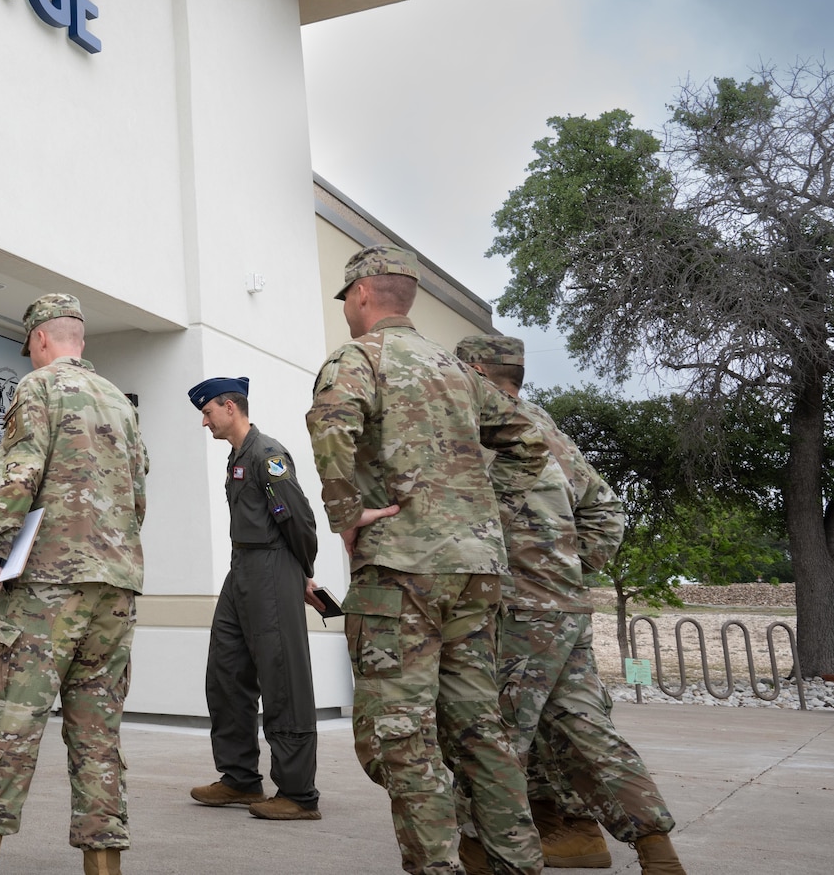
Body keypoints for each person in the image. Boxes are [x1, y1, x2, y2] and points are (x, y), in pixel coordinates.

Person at [304, 245, 546, 875]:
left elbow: (333, 429)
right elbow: (529, 443)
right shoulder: (457, 369)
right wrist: (482, 510)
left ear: (361, 294)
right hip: (476, 571)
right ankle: (518, 862)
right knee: (480, 727)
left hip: (403, 572)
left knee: (401, 735)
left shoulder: (356, 358)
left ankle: (437, 866)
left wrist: (346, 515)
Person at [0, 293, 148, 875]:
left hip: (48, 584)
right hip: (116, 586)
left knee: (10, 720)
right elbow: (138, 498)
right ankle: (104, 867)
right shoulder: (120, 401)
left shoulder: (38, 387)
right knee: (98, 732)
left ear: (41, 340)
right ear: (80, 339)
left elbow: (19, 476)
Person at [454, 336, 686, 875]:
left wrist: (538, 572)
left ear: (477, 372)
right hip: (560, 609)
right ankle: (653, 846)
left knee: (490, 729)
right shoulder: (545, 427)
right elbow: (605, 508)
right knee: (583, 726)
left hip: (517, 611)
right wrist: (567, 570)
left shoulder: (486, 430)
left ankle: (482, 847)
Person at [186, 376, 325, 821]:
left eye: (207, 413)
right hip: (242, 568)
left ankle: (299, 794)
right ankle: (240, 779)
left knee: (283, 679)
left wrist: (301, 573)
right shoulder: (237, 458)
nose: (204, 422)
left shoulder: (269, 456)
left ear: (230, 407)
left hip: (272, 569)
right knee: (225, 671)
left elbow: (300, 521)